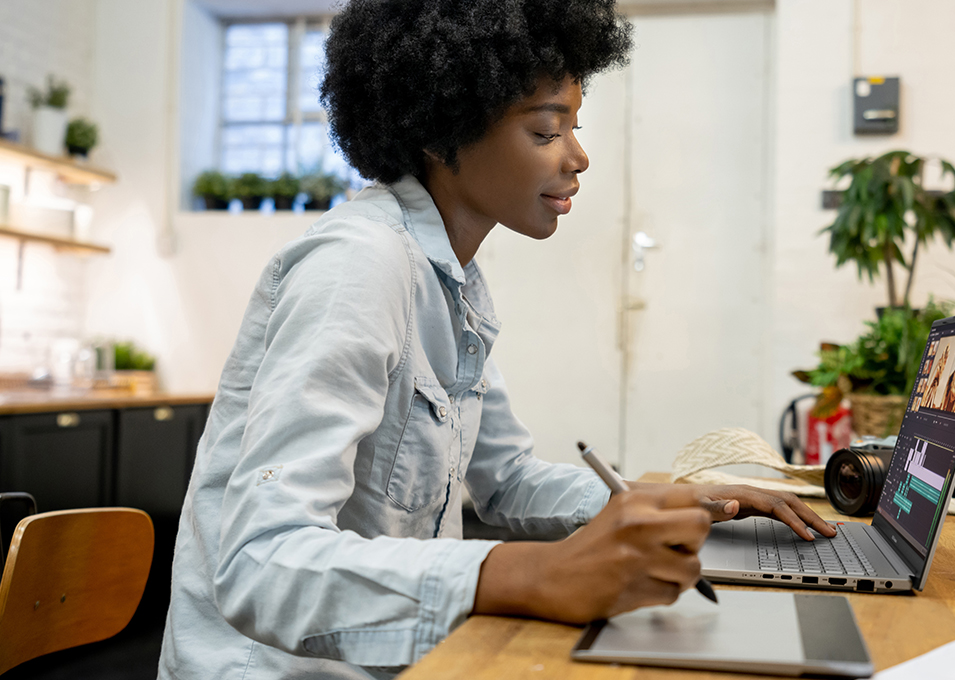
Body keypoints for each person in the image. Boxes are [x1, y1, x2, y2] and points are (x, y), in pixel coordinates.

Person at [157, 1, 835, 678]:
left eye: (574, 126)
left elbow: (505, 482)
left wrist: (669, 500)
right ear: (441, 128)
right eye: (546, 130)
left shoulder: (454, 283)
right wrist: (528, 572)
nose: (579, 156)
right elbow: (257, 562)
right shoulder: (358, 266)